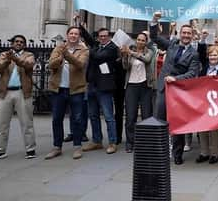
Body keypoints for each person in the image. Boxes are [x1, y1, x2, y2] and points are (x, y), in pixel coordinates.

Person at [150, 12, 201, 165]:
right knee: (159, 120)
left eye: (188, 33)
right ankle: (158, 152)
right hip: (163, 88)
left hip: (179, 92)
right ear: (180, 34)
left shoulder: (194, 54)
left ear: (192, 36)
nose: (186, 35)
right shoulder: (172, 44)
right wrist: (154, 21)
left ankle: (177, 154)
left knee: (177, 122)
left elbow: (193, 73)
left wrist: (176, 79)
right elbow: (154, 38)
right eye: (184, 33)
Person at [0, 35, 37, 161]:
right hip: (6, 92)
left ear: (24, 45)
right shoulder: (4, 55)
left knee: (27, 123)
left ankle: (30, 149)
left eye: (21, 42)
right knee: (2, 124)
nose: (19, 43)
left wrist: (15, 58)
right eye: (16, 41)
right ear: (12, 43)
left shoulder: (29, 55)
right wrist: (7, 60)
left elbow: (28, 66)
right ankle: (0, 150)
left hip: (23, 92)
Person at [45, 27, 89, 160]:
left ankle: (77, 146)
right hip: (58, 89)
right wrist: (60, 58)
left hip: (76, 90)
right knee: (56, 119)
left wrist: (67, 55)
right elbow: (51, 64)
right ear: (67, 35)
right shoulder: (59, 48)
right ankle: (57, 146)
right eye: (71, 33)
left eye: (76, 34)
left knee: (77, 119)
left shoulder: (84, 50)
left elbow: (80, 64)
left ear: (79, 36)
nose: (73, 36)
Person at [79, 26, 120, 154]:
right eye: (100, 36)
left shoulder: (112, 48)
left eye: (105, 36)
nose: (102, 38)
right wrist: (81, 26)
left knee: (108, 116)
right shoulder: (96, 45)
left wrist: (88, 49)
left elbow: (98, 56)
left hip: (104, 86)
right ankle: (97, 141)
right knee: (93, 115)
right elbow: (88, 38)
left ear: (109, 37)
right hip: (91, 84)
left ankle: (112, 142)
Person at [120, 32, 155, 153]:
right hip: (131, 85)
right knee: (130, 116)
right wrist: (124, 55)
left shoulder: (149, 51)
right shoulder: (130, 51)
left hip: (145, 85)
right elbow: (125, 67)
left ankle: (146, 142)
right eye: (138, 40)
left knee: (146, 115)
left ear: (146, 42)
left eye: (143, 40)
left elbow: (146, 59)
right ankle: (130, 142)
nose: (140, 42)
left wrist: (131, 53)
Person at [197, 45, 218, 164]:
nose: (212, 57)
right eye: (211, 55)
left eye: (215, 55)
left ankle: (215, 153)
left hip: (217, 102)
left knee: (214, 129)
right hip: (204, 101)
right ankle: (204, 152)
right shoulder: (204, 69)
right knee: (202, 127)